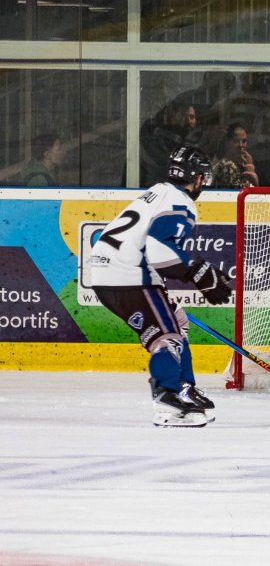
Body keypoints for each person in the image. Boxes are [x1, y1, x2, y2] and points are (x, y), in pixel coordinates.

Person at [88, 145, 232, 427]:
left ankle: (184, 387)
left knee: (177, 321)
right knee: (166, 337)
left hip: (112, 271)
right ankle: (167, 397)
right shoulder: (180, 201)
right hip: (128, 274)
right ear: (198, 178)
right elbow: (158, 248)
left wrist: (199, 272)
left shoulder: (158, 191)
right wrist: (201, 273)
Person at [211, 122, 258, 188]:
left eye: (244, 141)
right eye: (236, 141)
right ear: (227, 143)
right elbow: (245, 193)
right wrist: (250, 170)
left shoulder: (241, 166)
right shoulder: (227, 166)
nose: (241, 145)